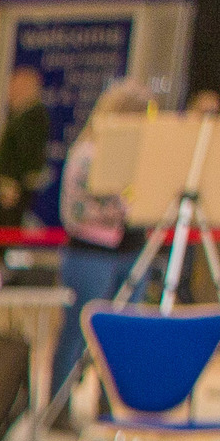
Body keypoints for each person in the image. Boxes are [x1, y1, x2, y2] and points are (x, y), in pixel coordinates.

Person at [54, 78, 152, 418]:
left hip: (131, 251)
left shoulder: (143, 158)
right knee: (78, 332)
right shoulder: (87, 154)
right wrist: (120, 208)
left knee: (123, 334)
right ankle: (59, 407)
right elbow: (75, 213)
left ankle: (108, 404)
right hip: (91, 254)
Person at [0, 66, 53, 232]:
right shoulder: (18, 114)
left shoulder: (33, 118)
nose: (10, 90)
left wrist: (14, 185)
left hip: (10, 191)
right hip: (5, 187)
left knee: (2, 233)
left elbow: (27, 155)